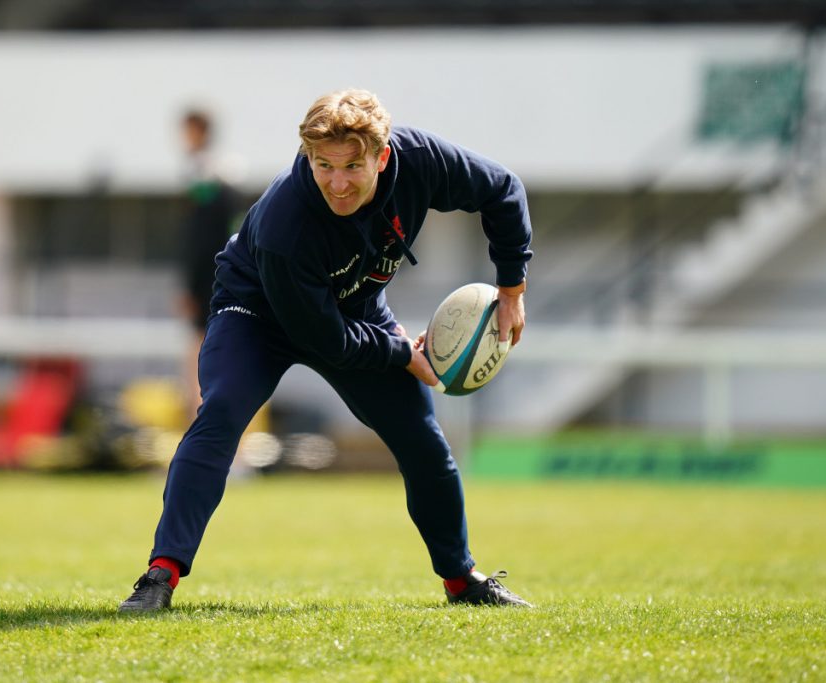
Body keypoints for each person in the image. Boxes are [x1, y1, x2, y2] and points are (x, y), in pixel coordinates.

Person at [119, 89, 533, 611]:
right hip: (257, 313)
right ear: (307, 156)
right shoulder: (285, 222)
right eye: (323, 166)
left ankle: (461, 580)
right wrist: (401, 352)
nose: (337, 183)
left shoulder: (421, 160)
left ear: (382, 156)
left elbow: (503, 189)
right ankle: (161, 574)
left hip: (354, 311)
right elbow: (326, 339)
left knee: (423, 441)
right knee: (220, 413)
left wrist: (511, 290)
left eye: (352, 166)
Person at [175, 109, 241, 418]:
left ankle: (202, 421)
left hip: (210, 279)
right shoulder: (221, 171)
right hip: (222, 275)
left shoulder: (206, 176)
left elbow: (201, 237)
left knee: (202, 351)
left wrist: (190, 286)